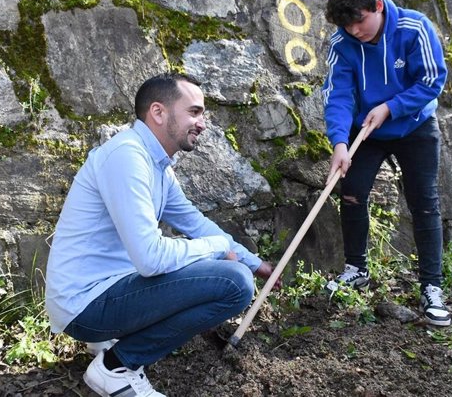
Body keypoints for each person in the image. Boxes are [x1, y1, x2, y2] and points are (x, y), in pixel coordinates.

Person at [45, 73, 279, 397]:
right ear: (158, 112)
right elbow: (151, 260)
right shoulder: (127, 157)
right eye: (194, 112)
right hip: (85, 304)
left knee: (240, 274)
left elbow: (193, 222)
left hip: (104, 292)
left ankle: (108, 344)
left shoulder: (156, 164)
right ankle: (116, 367)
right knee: (234, 285)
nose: (203, 123)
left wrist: (252, 261)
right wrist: (217, 248)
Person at [321, 0, 451, 327]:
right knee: (351, 192)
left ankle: (431, 288)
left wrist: (391, 107)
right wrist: (340, 143)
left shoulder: (414, 27)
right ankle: (356, 268)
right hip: (366, 130)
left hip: (414, 125)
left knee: (424, 202)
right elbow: (339, 95)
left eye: (359, 21)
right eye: (347, 25)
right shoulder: (343, 43)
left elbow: (432, 80)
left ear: (377, 5)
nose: (354, 30)